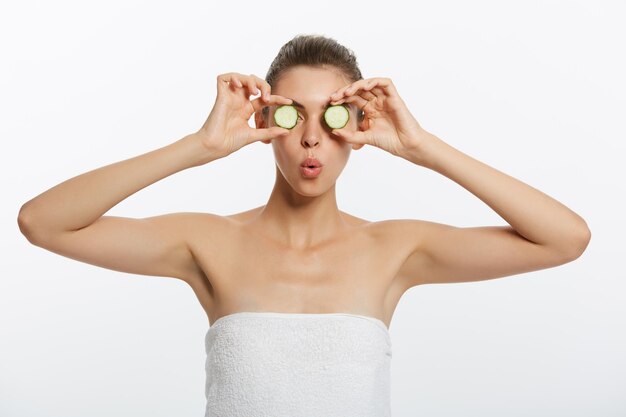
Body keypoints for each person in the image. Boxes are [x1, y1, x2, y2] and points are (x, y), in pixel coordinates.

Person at [17, 34, 591, 416]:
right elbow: (43, 223)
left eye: (333, 116)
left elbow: (565, 238)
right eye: (291, 115)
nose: (311, 138)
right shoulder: (208, 243)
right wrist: (199, 146)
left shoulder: (394, 248)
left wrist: (422, 147)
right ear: (266, 120)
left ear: (360, 124)